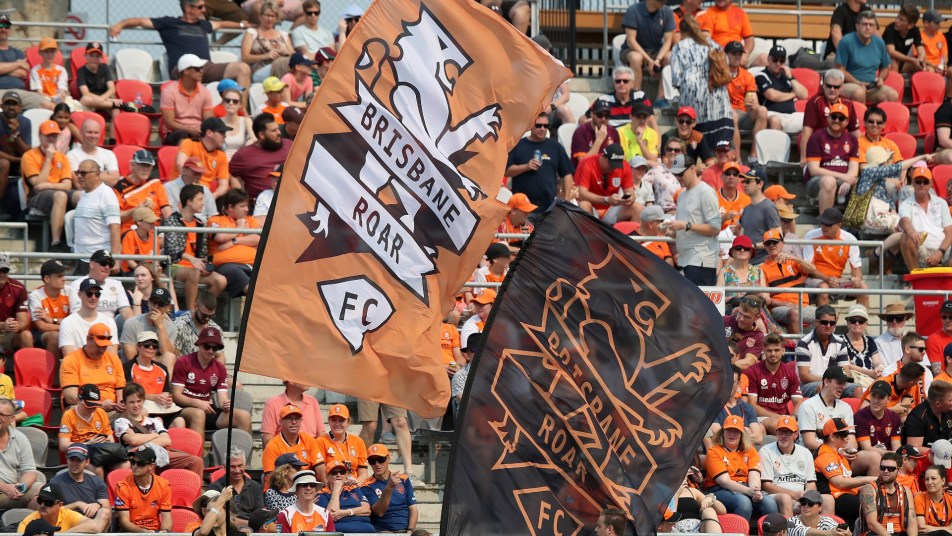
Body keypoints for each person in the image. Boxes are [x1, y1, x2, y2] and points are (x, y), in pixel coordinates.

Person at [109, 0, 251, 87]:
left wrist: (241, 25)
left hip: (206, 67)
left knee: (242, 69)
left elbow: (220, 24)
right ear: (188, 8)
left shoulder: (203, 25)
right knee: (194, 72)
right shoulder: (169, 23)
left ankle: (242, 112)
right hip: (183, 69)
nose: (204, 10)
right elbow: (140, 21)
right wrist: (120, 25)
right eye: (200, 7)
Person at [172, 326, 251, 434]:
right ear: (199, 345)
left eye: (214, 348)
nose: (210, 351)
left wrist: (225, 404)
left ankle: (241, 450)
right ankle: (199, 451)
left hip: (207, 409)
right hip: (183, 409)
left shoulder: (219, 368)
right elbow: (176, 396)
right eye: (207, 346)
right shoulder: (184, 362)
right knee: (198, 414)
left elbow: (222, 397)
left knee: (243, 416)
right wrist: (198, 403)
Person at [671, 14, 734, 149]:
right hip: (719, 101)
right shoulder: (713, 44)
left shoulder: (679, 47)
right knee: (721, 151)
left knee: (696, 149)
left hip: (693, 102)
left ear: (682, 32)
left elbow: (676, 79)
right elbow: (726, 66)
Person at [115, 383, 202, 474]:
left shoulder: (154, 421)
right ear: (125, 404)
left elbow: (167, 440)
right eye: (132, 402)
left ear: (143, 401)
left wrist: (139, 439)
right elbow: (132, 440)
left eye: (138, 401)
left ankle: (193, 487)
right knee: (148, 462)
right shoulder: (121, 422)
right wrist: (155, 435)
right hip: (138, 457)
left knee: (196, 461)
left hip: (161, 453)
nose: (136, 405)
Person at [164, 184, 227, 311]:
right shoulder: (172, 220)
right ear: (189, 201)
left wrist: (205, 265)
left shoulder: (199, 223)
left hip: (196, 267)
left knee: (221, 280)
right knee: (194, 273)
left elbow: (202, 252)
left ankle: (201, 310)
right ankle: (190, 314)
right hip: (175, 266)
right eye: (200, 199)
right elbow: (171, 249)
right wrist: (191, 259)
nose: (203, 203)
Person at [704, 414, 779, 520]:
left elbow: (754, 475)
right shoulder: (714, 451)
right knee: (743, 502)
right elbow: (724, 481)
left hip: (746, 487)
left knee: (769, 503)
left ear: (742, 434)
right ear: (723, 432)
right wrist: (749, 491)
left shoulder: (750, 450)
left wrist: (755, 491)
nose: (732, 434)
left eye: (736, 431)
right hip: (720, 490)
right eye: (729, 430)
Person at [505, 112, 574, 221]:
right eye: (538, 125)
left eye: (546, 126)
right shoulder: (518, 145)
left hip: (549, 207)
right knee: (524, 238)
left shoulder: (555, 147)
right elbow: (507, 171)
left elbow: (567, 174)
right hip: (524, 209)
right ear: (531, 125)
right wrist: (526, 167)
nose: (542, 129)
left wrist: (567, 199)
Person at [668, 153, 721, 285]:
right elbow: (685, 227)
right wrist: (671, 231)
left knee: (699, 304)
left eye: (681, 173)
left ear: (692, 169)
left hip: (701, 259)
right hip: (687, 259)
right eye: (676, 174)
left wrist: (686, 225)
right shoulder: (681, 195)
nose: (678, 178)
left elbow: (715, 228)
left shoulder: (705, 192)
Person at [815, 417, 879, 526]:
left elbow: (848, 481)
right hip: (835, 496)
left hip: (846, 494)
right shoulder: (825, 455)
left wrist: (871, 485)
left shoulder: (838, 454)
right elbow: (840, 483)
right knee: (872, 509)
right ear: (832, 436)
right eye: (844, 434)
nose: (848, 438)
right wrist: (873, 479)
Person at [885, 168, 952, 271]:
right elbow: (904, 221)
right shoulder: (906, 204)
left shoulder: (941, 203)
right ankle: (915, 277)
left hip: (943, 250)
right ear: (913, 183)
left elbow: (949, 231)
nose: (922, 185)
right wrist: (911, 231)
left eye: (925, 182)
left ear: (931, 184)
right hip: (920, 248)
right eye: (918, 181)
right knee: (906, 237)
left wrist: (940, 252)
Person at [23, 119, 72, 251]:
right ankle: (55, 242)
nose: (51, 139)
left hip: (54, 191)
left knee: (80, 195)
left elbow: (67, 184)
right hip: (36, 197)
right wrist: (49, 158)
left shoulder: (62, 157)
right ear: (40, 136)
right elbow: (38, 185)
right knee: (60, 195)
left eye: (54, 136)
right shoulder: (29, 156)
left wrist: (48, 186)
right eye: (48, 135)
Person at [804, 208, 869, 307]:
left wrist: (856, 279)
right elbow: (808, 268)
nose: (823, 227)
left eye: (828, 225)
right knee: (824, 288)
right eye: (822, 223)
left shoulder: (850, 239)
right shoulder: (811, 236)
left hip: (837, 281)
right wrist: (827, 278)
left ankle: (860, 321)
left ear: (839, 225)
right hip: (814, 279)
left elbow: (856, 268)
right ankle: (824, 321)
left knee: (863, 289)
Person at [759, 418, 823, 517]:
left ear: (796, 434)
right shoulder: (766, 451)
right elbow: (766, 485)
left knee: (827, 500)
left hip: (800, 496)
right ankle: (790, 531)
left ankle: (824, 531)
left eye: (788, 433)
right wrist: (793, 494)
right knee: (786, 498)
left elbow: (811, 483)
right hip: (775, 495)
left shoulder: (805, 452)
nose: (783, 436)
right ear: (776, 433)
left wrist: (806, 496)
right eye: (780, 432)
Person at [800, 69, 861, 166]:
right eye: (829, 86)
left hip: (842, 148)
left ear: (842, 87)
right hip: (820, 147)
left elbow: (856, 133)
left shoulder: (848, 103)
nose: (832, 89)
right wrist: (804, 157)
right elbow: (806, 132)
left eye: (836, 87)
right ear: (823, 85)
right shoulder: (815, 102)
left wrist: (862, 157)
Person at [761, 229, 817, 333]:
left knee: (830, 315)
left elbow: (812, 269)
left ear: (782, 243)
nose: (772, 245)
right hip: (780, 308)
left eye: (775, 242)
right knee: (795, 312)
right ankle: (798, 347)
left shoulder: (792, 260)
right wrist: (787, 304)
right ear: (765, 246)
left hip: (802, 305)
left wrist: (794, 258)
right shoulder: (762, 269)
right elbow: (766, 299)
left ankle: (818, 345)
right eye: (768, 243)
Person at [208, 188, 261, 297]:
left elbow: (258, 238)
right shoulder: (216, 220)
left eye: (247, 205)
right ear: (230, 207)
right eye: (242, 206)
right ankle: (257, 301)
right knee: (235, 272)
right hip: (226, 266)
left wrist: (234, 241)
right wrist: (240, 228)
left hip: (252, 264)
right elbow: (220, 237)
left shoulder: (250, 220)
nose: (246, 209)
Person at [837, 11, 898, 104]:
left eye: (871, 25)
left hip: (872, 86)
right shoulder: (846, 41)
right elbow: (840, 70)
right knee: (859, 93)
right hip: (848, 85)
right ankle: (861, 118)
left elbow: (886, 67)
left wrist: (880, 79)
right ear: (857, 26)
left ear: (875, 28)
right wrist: (858, 83)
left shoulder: (879, 42)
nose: (868, 28)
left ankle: (879, 118)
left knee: (893, 95)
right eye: (865, 24)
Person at [745, 333, 801, 433]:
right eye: (769, 351)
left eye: (777, 350)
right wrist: (780, 418)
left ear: (783, 351)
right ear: (764, 352)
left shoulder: (790, 372)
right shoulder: (752, 372)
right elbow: (752, 405)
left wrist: (794, 416)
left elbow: (798, 402)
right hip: (761, 417)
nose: (773, 354)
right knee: (776, 424)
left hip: (783, 416)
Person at [60, 324, 125, 409]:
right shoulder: (71, 360)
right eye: (98, 346)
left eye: (105, 346)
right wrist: (100, 405)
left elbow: (120, 389)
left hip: (112, 409)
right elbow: (71, 398)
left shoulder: (113, 359)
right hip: (84, 409)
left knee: (139, 413)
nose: (101, 350)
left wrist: (121, 404)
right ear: (88, 339)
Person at [229, 113, 292, 201]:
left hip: (291, 198)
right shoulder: (244, 155)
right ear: (261, 135)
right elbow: (229, 174)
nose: (279, 133)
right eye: (274, 131)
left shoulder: (289, 145)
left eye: (278, 129)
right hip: (261, 205)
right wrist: (241, 195)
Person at [48, 444, 111, 532]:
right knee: (93, 525)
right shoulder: (56, 482)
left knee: (105, 512)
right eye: (72, 459)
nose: (74, 463)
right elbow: (50, 511)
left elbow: (107, 508)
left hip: (93, 523)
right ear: (67, 460)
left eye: (79, 460)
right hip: (68, 523)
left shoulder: (96, 481)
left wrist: (98, 505)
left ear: (87, 462)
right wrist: (77, 504)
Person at [123, 332, 181, 423]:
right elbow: (129, 395)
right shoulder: (128, 367)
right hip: (141, 407)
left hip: (161, 408)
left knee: (179, 421)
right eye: (147, 345)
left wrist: (167, 399)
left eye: (154, 346)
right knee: (157, 420)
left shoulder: (162, 368)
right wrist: (153, 397)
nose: (151, 348)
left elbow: (166, 392)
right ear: (138, 347)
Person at [620, 0, 674, 94]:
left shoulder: (668, 12)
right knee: (636, 58)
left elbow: (667, 41)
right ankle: (636, 96)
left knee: (670, 57)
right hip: (633, 50)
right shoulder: (633, 11)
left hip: (656, 51)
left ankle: (661, 98)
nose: (664, 1)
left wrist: (658, 59)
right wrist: (648, 60)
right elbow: (631, 41)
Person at [796, 306, 851, 398]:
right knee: (823, 387)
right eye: (824, 322)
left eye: (832, 323)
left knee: (856, 389)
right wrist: (829, 382)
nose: (828, 326)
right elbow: (804, 376)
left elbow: (846, 372)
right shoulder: (804, 343)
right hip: (808, 385)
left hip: (834, 383)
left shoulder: (840, 342)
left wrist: (836, 382)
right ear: (816, 323)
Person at [725, 40, 766, 162]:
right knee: (732, 115)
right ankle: (737, 159)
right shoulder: (719, 74)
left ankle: (753, 158)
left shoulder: (747, 76)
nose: (737, 56)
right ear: (726, 55)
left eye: (739, 54)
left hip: (743, 113)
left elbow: (754, 101)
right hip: (724, 112)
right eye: (734, 53)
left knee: (762, 111)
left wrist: (752, 105)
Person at [858, 451, 917, 536]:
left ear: (899, 471)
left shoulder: (906, 491)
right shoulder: (869, 489)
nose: (885, 471)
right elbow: (871, 523)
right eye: (883, 467)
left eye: (890, 468)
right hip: (876, 534)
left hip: (900, 533)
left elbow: (912, 520)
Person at [362, 444, 418, 532]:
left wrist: (410, 531)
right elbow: (379, 512)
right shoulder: (366, 485)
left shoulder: (403, 479)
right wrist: (389, 487)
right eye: (372, 461)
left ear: (388, 459)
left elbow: (413, 508)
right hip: (382, 532)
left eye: (381, 460)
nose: (377, 464)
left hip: (405, 531)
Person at [114, 447, 172, 532]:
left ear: (151, 466)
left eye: (140, 463)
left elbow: (166, 516)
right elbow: (124, 522)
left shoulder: (164, 485)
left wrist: (165, 532)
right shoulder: (122, 486)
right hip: (131, 532)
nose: (135, 466)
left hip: (154, 530)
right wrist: (144, 532)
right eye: (133, 462)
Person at [72, 159, 120, 261]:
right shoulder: (84, 194)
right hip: (81, 256)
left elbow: (115, 228)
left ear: (97, 175)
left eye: (83, 173)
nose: (79, 176)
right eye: (77, 173)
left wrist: (116, 259)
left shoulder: (106, 194)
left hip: (99, 259)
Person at [262, 404, 325, 481]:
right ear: (281, 422)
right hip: (282, 487)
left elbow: (320, 468)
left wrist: (325, 489)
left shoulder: (309, 440)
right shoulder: (272, 446)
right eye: (289, 419)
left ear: (301, 421)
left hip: (306, 485)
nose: (294, 422)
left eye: (297, 419)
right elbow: (270, 478)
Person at [114, 149, 171, 233]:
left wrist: (172, 229)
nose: (145, 169)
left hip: (155, 232)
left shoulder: (155, 183)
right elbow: (116, 218)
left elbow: (166, 209)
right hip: (130, 232)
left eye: (149, 166)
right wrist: (137, 209)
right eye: (142, 165)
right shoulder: (119, 187)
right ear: (132, 165)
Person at [120, 288, 177, 369]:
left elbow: (167, 353)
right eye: (154, 302)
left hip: (157, 368)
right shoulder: (132, 323)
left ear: (168, 307)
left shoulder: (171, 327)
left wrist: (160, 326)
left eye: (161, 304)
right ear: (149, 303)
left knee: (170, 357)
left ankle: (164, 381)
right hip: (135, 367)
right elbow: (131, 356)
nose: (156, 307)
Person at [58, 279, 118, 355]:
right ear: (79, 295)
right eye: (89, 294)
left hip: (103, 366)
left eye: (97, 294)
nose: (93, 297)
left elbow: (112, 356)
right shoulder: (67, 323)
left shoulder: (109, 322)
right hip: (78, 366)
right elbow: (69, 357)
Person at [756, 45, 808, 134]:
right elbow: (772, 95)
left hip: (791, 115)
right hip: (772, 113)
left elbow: (804, 95)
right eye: (775, 60)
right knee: (775, 121)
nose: (778, 63)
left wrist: (791, 77)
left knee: (810, 119)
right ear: (769, 59)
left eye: (781, 61)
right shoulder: (761, 75)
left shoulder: (787, 77)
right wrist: (792, 94)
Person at [0, 397, 40, 508]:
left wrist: (21, 487)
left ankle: (26, 523)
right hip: (3, 490)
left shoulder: (20, 438)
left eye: (2, 414)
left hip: (12, 492)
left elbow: (30, 471)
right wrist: (4, 487)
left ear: (12, 418)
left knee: (43, 492)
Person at [209, 448, 264, 529]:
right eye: (232, 467)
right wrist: (247, 524)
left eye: (240, 466)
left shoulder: (255, 487)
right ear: (224, 467)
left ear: (245, 465)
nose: (237, 470)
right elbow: (215, 516)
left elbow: (259, 515)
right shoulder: (215, 488)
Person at [29, 259, 72, 359]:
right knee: (54, 337)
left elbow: (76, 320)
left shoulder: (70, 291)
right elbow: (42, 326)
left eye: (63, 275)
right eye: (59, 276)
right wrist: (66, 327)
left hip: (64, 329)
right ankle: (55, 374)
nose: (64, 279)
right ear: (47, 279)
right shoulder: (36, 295)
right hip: (41, 335)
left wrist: (52, 320)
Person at [316, 460, 375, 532]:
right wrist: (336, 490)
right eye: (334, 473)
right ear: (327, 476)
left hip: (365, 528)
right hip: (341, 531)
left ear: (346, 475)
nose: (338, 475)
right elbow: (331, 516)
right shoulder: (322, 494)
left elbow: (367, 510)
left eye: (342, 472)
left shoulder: (353, 489)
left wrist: (347, 512)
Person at [241, 1, 293, 83]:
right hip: (260, 70)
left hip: (282, 66)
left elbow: (293, 54)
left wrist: (286, 52)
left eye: (272, 16)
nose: (269, 19)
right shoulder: (252, 33)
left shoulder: (283, 35)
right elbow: (244, 57)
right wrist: (265, 56)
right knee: (283, 64)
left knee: (301, 63)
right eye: (267, 15)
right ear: (260, 16)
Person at [17, 483, 99, 534]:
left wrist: (63, 534)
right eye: (40, 500)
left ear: (60, 504)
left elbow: (93, 526)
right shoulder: (28, 522)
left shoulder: (66, 514)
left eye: (48, 502)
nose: (42, 505)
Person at [738, 170, 780, 264]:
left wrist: (754, 246)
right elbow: (742, 236)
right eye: (743, 181)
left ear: (760, 184)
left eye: (748, 181)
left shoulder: (768, 207)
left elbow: (778, 239)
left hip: (763, 262)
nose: (744, 184)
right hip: (746, 263)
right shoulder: (746, 209)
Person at [317, 404, 367, 480]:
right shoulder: (321, 441)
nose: (337, 424)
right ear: (329, 421)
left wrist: (356, 484)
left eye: (341, 420)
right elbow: (321, 472)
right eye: (334, 420)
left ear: (348, 422)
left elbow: (363, 472)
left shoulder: (358, 441)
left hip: (354, 486)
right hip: (332, 485)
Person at [855, 380, 903, 458]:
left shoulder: (894, 417)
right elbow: (866, 448)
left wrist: (895, 456)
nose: (876, 401)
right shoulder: (860, 416)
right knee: (875, 458)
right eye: (873, 395)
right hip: (868, 457)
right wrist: (891, 454)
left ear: (889, 399)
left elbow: (896, 446)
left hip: (889, 457)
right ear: (870, 396)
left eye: (881, 397)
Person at [172, 290, 225, 358]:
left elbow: (220, 356)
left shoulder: (216, 329)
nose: (207, 319)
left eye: (211, 316)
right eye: (204, 315)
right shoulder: (180, 325)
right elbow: (175, 355)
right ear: (195, 306)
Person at [718, 238, 765, 314]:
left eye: (746, 248)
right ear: (732, 252)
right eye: (738, 248)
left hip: (754, 312)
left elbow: (766, 299)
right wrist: (734, 298)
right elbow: (718, 298)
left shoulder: (758, 271)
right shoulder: (724, 272)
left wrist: (758, 292)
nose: (742, 250)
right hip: (732, 312)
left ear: (750, 253)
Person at [66, 120, 119, 186]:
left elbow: (114, 180)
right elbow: (79, 184)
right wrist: (103, 175)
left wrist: (87, 175)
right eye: (89, 132)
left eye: (96, 133)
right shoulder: (71, 155)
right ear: (81, 133)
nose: (93, 136)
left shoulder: (109, 154)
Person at [903, 380, 952, 447]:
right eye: (950, 400)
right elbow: (914, 449)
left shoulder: (948, 410)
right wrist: (941, 452)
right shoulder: (917, 417)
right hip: (926, 456)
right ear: (938, 404)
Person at [571, 100, 619, 166]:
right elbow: (583, 164)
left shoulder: (613, 131)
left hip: (607, 172)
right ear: (591, 114)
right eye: (600, 115)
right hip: (586, 174)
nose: (603, 119)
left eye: (607, 116)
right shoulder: (581, 132)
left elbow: (618, 158)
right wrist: (599, 141)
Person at [0, 253, 30, 357]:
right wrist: (3, 325)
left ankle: (27, 373)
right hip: (4, 327)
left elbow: (23, 321)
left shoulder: (18, 288)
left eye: (5, 270)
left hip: (8, 333)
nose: (2, 274)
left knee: (26, 336)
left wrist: (16, 326)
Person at [883, 6, 925, 74]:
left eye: (901, 20)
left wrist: (920, 59)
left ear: (910, 25)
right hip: (887, 60)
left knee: (921, 64)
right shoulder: (890, 29)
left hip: (904, 62)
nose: (897, 21)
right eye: (898, 17)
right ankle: (895, 83)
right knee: (894, 61)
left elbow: (921, 49)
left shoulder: (915, 30)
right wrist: (912, 60)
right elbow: (891, 52)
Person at [29, 37, 68, 108]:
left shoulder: (61, 70)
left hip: (58, 99)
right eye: (46, 52)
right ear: (40, 53)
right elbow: (39, 92)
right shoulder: (35, 70)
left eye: (52, 52)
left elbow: (62, 90)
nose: (49, 55)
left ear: (56, 52)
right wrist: (52, 98)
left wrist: (59, 98)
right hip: (44, 99)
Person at [119, 207, 159, 274]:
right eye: (149, 222)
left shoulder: (154, 237)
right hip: (131, 271)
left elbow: (157, 260)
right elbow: (130, 262)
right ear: (139, 222)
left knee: (164, 278)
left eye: (153, 222)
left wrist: (156, 268)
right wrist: (145, 272)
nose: (152, 224)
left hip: (149, 271)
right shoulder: (130, 236)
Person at [875, 304, 916, 369]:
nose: (894, 322)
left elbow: (924, 365)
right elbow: (884, 370)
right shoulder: (878, 343)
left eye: (899, 317)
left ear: (905, 318)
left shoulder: (915, 340)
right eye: (890, 318)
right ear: (886, 320)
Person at [914, 465, 952, 533]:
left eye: (933, 478)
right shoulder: (919, 498)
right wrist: (947, 529)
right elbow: (922, 527)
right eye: (926, 479)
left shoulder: (950, 499)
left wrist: (932, 528)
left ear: (943, 481)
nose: (929, 482)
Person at [220, 89, 254, 160]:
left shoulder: (246, 120)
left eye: (235, 101)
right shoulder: (218, 122)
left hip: (241, 160)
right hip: (222, 161)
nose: (231, 103)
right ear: (223, 102)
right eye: (227, 100)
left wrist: (245, 148)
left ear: (240, 104)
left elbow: (254, 139)